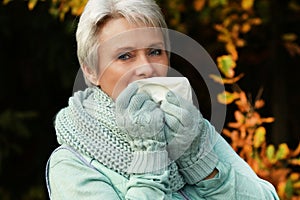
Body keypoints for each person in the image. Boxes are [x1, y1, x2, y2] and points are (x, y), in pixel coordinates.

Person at [45, 0, 280, 199]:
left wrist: (201, 165)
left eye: (155, 52)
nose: (146, 68)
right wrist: (150, 157)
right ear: (90, 71)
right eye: (125, 56)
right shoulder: (70, 164)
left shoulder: (191, 129)